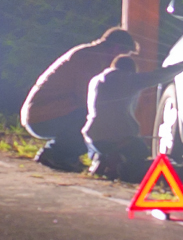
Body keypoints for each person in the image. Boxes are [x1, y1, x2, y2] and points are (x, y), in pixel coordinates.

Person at [19, 25, 136, 171]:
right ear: (115, 49)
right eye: (124, 53)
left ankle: (66, 156)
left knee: (97, 121)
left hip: (50, 112)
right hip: (42, 115)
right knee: (94, 123)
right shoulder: (88, 59)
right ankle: (55, 154)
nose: (124, 59)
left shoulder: (92, 56)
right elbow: (86, 99)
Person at [83, 52, 183, 183]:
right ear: (131, 71)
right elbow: (159, 76)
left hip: (92, 137)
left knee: (108, 146)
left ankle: (103, 158)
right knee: (140, 151)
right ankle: (118, 166)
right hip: (117, 138)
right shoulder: (127, 79)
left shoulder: (95, 80)